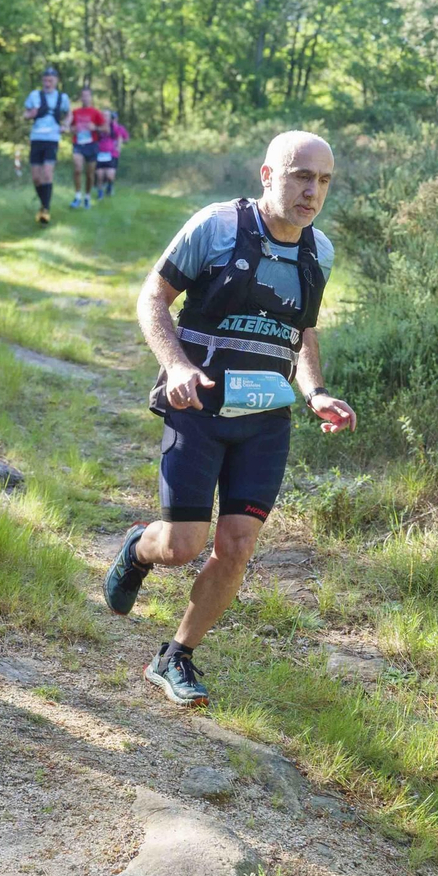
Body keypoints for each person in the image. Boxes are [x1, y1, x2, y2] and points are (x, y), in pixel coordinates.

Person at [103, 131, 356, 707]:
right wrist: (175, 367)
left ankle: (175, 655)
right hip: (199, 407)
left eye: (322, 180)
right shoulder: (216, 227)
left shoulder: (321, 252)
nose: (311, 191)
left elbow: (303, 330)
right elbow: (152, 298)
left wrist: (314, 390)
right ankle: (139, 548)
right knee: (183, 545)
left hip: (266, 420)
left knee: (238, 545)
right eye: (300, 176)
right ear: (268, 175)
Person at [22, 66, 71, 225]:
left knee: (48, 174)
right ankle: (43, 204)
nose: (47, 83)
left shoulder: (62, 98)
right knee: (36, 177)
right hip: (36, 139)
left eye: (50, 80)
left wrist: (65, 125)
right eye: (45, 80)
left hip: (52, 139)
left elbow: (69, 114)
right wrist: (31, 114)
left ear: (56, 81)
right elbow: (25, 114)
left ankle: (45, 209)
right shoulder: (34, 96)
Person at [68, 87, 107, 210]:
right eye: (83, 95)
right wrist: (71, 130)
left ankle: (87, 197)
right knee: (78, 169)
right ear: (80, 98)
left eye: (87, 95)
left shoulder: (96, 113)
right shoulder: (75, 112)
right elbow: (68, 128)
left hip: (92, 145)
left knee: (90, 174)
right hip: (78, 144)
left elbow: (106, 129)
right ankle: (77, 196)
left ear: (90, 97)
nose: (85, 98)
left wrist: (95, 127)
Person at [94, 111, 128, 199]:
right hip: (99, 153)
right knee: (100, 175)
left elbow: (121, 137)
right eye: (103, 115)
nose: (105, 117)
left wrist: (118, 147)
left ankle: (110, 186)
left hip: (111, 153)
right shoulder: (98, 126)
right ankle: (100, 192)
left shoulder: (115, 127)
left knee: (110, 175)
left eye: (107, 116)